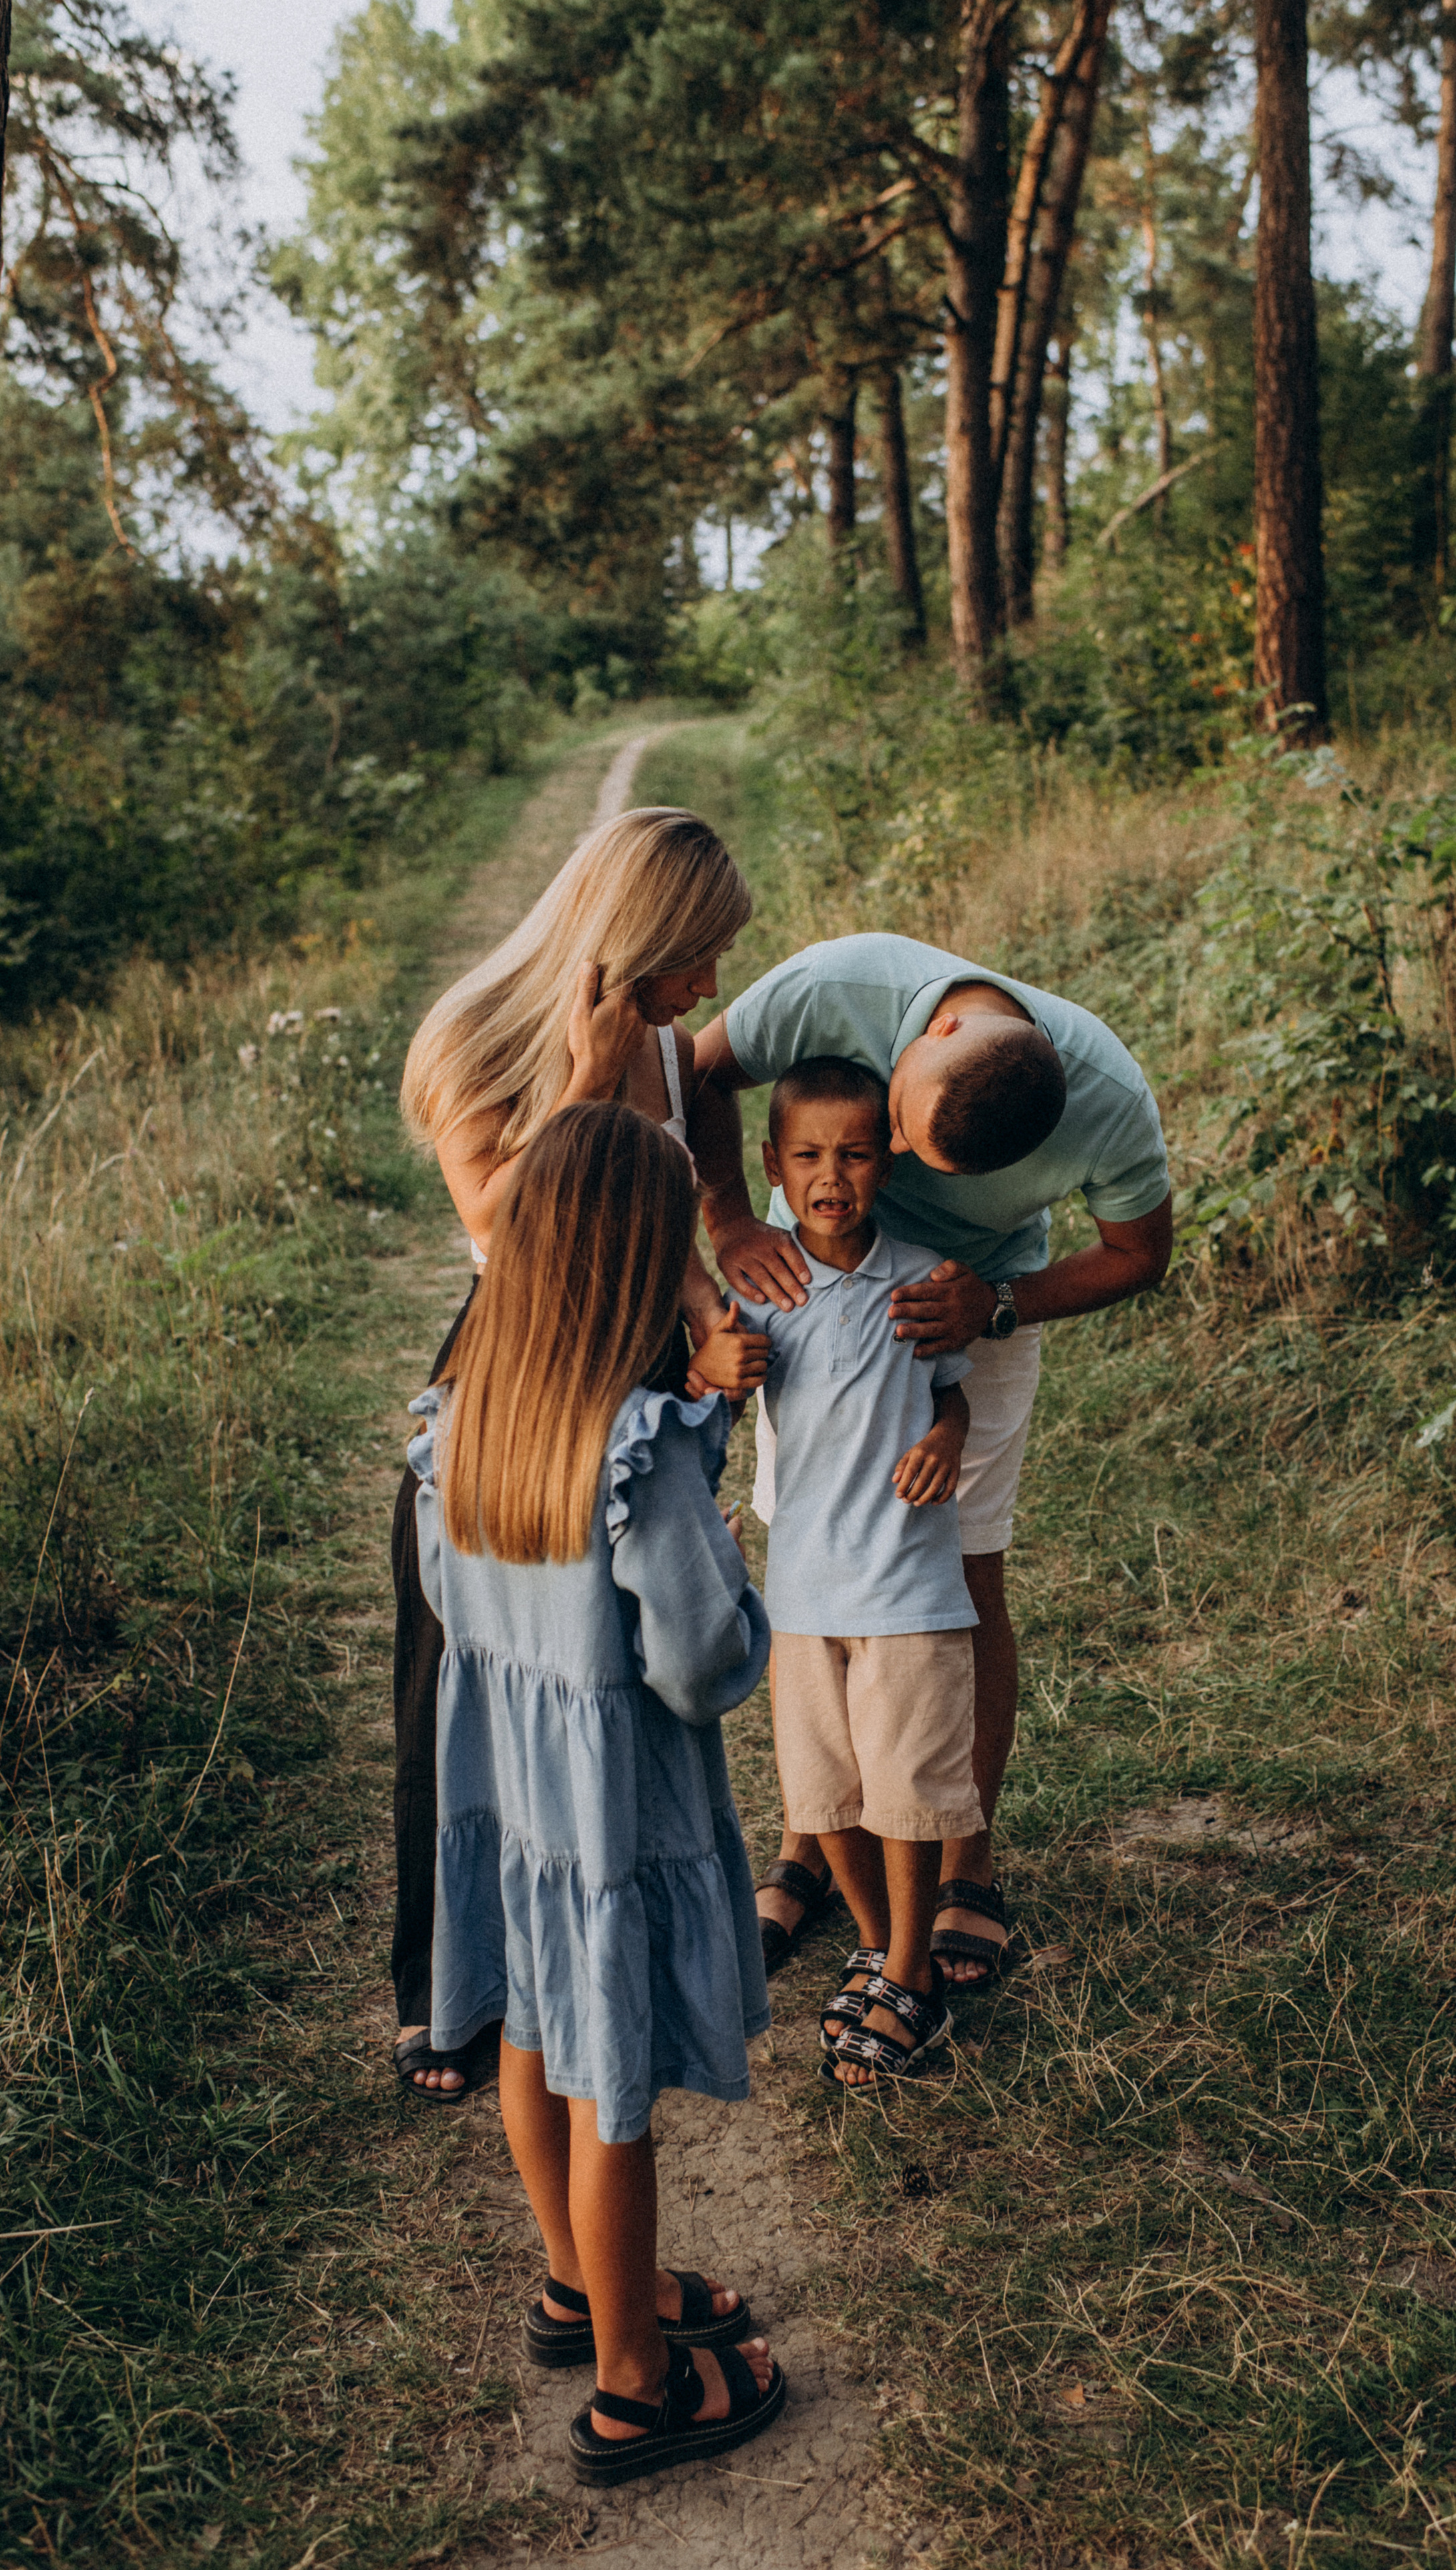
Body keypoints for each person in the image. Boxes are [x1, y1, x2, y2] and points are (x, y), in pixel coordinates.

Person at [408, 1101, 785, 2483]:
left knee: (529, 2036)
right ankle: (637, 2384)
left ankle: (580, 2283)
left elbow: (455, 1600)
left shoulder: (461, 1422)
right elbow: (695, 1663)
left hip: (513, 1805)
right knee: (609, 2084)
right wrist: (733, 1572)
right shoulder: (643, 1448)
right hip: (614, 1819)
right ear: (641, 1267)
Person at [691, 933, 1173, 1990]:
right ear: (934, 1032)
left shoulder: (1108, 1097)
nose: (893, 1164)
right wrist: (728, 1221)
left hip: (966, 1306)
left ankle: (967, 1866)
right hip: (806, 1287)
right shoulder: (843, 982)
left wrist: (995, 1304)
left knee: (958, 1574)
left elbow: (1142, 1252)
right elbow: (699, 1069)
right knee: (806, 1550)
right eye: (896, 1131)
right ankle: (809, 1845)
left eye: (913, 1154)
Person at [390, 808, 769, 2100]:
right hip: (516, 1364)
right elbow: (501, 1216)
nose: (708, 987)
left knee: (618, 1663)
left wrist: (710, 1316)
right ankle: (443, 1986)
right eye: (696, 955)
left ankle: (611, 1926)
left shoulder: (667, 1047)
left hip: (640, 1354)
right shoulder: (479, 1036)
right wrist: (590, 1077)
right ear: (633, 941)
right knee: (465, 1671)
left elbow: (649, 1210)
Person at [732, 1058, 981, 2086]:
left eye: (855, 1152)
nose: (831, 1175)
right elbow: (712, 1394)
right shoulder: (764, 1288)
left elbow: (954, 1393)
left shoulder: (924, 1279)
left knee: (905, 1790)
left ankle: (913, 1970)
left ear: (888, 1160)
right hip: (803, 1590)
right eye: (807, 1156)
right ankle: (877, 1949)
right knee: (824, 1790)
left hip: (907, 1586)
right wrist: (716, 1365)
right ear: (773, 1168)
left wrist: (949, 1436)